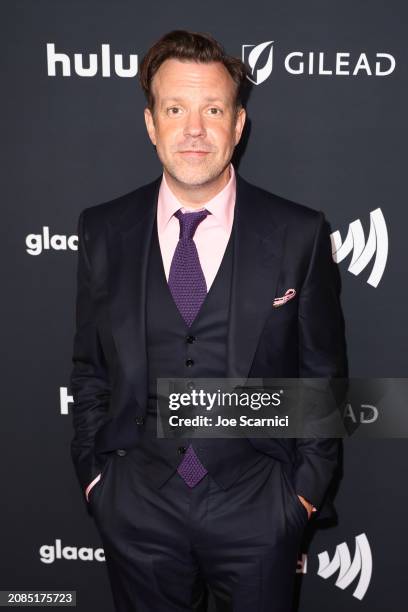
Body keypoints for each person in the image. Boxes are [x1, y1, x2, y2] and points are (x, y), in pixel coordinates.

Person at [70, 29, 348, 612]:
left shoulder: (297, 233)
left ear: (238, 124)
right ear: (151, 124)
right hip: (137, 508)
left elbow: (323, 378)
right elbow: (90, 369)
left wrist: (300, 497)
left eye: (213, 109)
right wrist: (99, 481)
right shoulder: (103, 231)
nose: (194, 129)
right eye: (175, 108)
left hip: (259, 506)